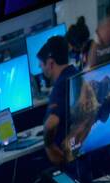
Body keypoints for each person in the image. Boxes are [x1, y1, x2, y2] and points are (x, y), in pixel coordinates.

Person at [37, 36, 79, 165]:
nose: (42, 69)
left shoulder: (61, 85)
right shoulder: (76, 74)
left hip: (67, 159)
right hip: (81, 150)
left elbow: (51, 123)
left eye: (41, 65)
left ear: (50, 63)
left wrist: (49, 145)